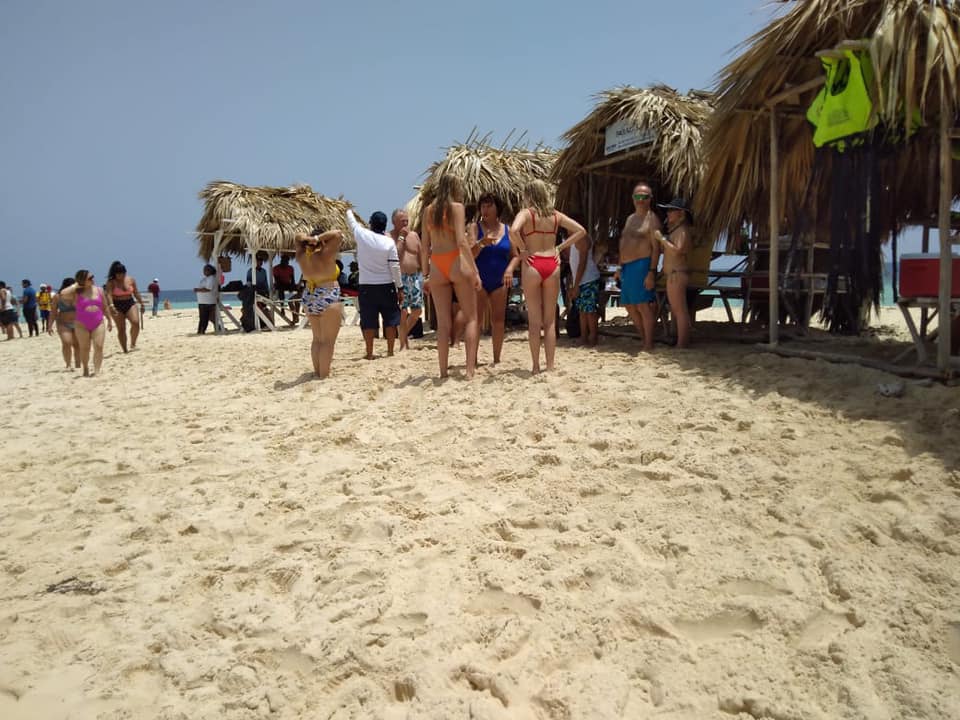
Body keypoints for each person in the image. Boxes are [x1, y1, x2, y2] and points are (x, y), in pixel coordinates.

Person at [510, 180, 586, 373]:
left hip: (533, 264)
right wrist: (560, 247)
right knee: (550, 321)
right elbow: (581, 231)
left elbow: (513, 231)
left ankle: (535, 366)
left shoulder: (526, 214)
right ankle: (550, 366)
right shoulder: (555, 215)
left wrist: (523, 249)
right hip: (552, 263)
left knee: (535, 322)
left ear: (529, 194)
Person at [421, 174, 481, 378]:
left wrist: (425, 274)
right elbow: (462, 242)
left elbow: (424, 246)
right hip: (456, 262)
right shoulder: (456, 207)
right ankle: (470, 370)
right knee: (472, 318)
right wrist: (475, 271)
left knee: (443, 323)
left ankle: (443, 371)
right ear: (456, 188)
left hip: (437, 264)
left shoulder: (428, 211)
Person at [468, 193, 519, 364]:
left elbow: (515, 255)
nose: (485, 209)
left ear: (498, 208)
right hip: (479, 280)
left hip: (500, 281)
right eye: (483, 206)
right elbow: (468, 255)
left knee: (498, 321)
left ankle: (496, 359)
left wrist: (510, 270)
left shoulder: (507, 230)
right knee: (476, 321)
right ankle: (472, 359)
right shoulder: (475, 228)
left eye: (489, 205)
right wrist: (481, 243)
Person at [345, 208, 403, 359]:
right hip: (386, 285)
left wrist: (349, 209)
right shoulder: (389, 242)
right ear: (385, 226)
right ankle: (390, 351)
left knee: (369, 320)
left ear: (370, 223)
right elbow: (395, 267)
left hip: (366, 286)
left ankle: (370, 353)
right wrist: (400, 287)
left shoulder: (362, 235)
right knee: (390, 319)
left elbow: (351, 221)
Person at [617, 182, 662, 350]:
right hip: (627, 267)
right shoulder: (630, 219)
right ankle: (644, 338)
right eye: (637, 196)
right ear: (633, 198)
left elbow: (656, 249)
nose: (640, 200)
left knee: (643, 305)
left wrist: (651, 272)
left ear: (650, 199)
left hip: (642, 264)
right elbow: (623, 243)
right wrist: (620, 267)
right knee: (629, 305)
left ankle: (648, 343)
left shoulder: (652, 220)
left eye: (644, 197)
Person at [295, 227, 343, 378]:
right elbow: (337, 234)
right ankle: (323, 375)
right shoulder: (325, 254)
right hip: (327, 293)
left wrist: (308, 239)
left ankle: (317, 372)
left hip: (310, 295)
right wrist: (316, 239)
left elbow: (297, 236)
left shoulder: (302, 255)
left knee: (317, 339)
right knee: (328, 341)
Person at [58, 270, 113, 377]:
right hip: (81, 324)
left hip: (98, 322)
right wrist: (76, 285)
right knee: (85, 348)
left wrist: (110, 320)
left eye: (92, 277)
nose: (93, 279)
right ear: (82, 281)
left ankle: (97, 370)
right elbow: (62, 294)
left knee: (99, 346)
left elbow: (105, 306)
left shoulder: (99, 290)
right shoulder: (76, 292)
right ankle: (86, 368)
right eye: (89, 278)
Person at [656, 197, 694, 348]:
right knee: (677, 310)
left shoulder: (682, 231)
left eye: (671, 210)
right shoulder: (676, 231)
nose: (668, 213)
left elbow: (677, 251)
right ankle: (681, 341)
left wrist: (662, 239)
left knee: (680, 310)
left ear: (681, 214)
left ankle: (682, 343)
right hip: (673, 274)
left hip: (676, 274)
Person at [390, 208, 425, 350]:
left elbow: (421, 254)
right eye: (402, 221)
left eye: (406, 220)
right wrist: (401, 238)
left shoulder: (414, 235)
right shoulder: (389, 236)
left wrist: (426, 274)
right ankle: (403, 344)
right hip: (400, 277)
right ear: (394, 222)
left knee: (417, 311)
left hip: (415, 276)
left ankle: (403, 336)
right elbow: (394, 255)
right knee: (403, 311)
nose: (405, 223)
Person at [568, 225, 602, 347]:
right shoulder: (573, 239)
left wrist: (576, 285)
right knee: (582, 311)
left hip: (588, 279)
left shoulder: (582, 238)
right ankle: (584, 337)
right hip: (581, 280)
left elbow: (582, 263)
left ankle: (593, 336)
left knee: (590, 311)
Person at [104, 261, 144, 352]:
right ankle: (125, 349)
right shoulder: (111, 282)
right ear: (115, 274)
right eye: (119, 274)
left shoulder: (131, 280)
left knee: (135, 322)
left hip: (129, 302)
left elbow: (136, 292)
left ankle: (133, 343)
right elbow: (109, 295)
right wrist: (111, 306)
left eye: (123, 273)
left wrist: (141, 303)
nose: (121, 276)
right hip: (116, 304)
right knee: (121, 328)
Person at [48, 277, 80, 370]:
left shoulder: (79, 296)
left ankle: (78, 364)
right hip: (63, 323)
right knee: (66, 343)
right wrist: (49, 325)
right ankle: (68, 364)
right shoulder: (57, 297)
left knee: (77, 344)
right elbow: (53, 312)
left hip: (78, 323)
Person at [193, 264, 219, 334]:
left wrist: (197, 290)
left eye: (205, 270)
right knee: (205, 318)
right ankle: (202, 330)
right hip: (204, 302)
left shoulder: (211, 278)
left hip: (208, 302)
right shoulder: (207, 279)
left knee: (204, 318)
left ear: (209, 271)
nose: (203, 271)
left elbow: (208, 289)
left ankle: (201, 331)